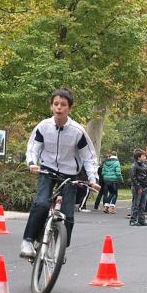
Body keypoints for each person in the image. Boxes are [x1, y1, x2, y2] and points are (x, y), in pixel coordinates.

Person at [20, 88, 100, 258]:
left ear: (70, 108)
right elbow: (33, 148)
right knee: (41, 204)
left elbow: (89, 157)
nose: (59, 108)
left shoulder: (78, 131)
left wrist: (93, 179)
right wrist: (32, 163)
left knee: (68, 215)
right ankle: (28, 240)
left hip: (69, 174)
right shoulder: (43, 127)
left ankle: (60, 248)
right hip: (47, 170)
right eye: (56, 104)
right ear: (51, 107)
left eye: (63, 105)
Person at [130, 148, 147, 226]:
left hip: (144, 188)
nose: (145, 157)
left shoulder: (144, 166)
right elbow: (133, 178)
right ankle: (133, 220)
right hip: (137, 188)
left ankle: (141, 220)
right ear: (139, 157)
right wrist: (138, 188)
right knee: (136, 204)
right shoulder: (134, 166)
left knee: (142, 205)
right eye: (143, 156)